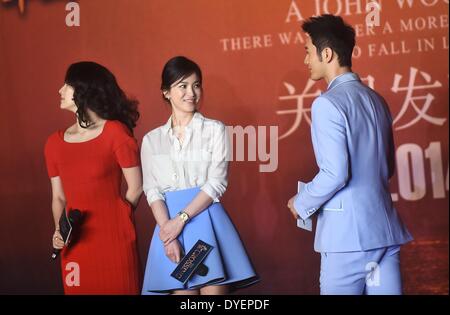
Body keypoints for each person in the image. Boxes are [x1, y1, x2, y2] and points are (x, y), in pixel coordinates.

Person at [287, 15, 413, 295]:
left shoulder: (327, 104)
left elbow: (336, 173)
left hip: (347, 239)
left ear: (327, 53)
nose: (306, 60)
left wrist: (302, 201)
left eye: (308, 52)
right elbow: (387, 166)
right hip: (384, 233)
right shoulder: (376, 100)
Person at [141, 56, 258, 295]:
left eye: (196, 85)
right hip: (170, 229)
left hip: (207, 222)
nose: (191, 93)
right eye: (182, 86)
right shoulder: (152, 140)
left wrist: (180, 220)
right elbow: (152, 190)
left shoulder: (215, 130)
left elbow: (217, 182)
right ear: (166, 92)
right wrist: (168, 232)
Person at [44, 61, 142, 294]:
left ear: (85, 89)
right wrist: (60, 231)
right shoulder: (53, 144)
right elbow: (58, 197)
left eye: (67, 85)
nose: (60, 90)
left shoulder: (115, 133)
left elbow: (136, 187)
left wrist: (120, 217)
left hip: (114, 241)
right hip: (76, 244)